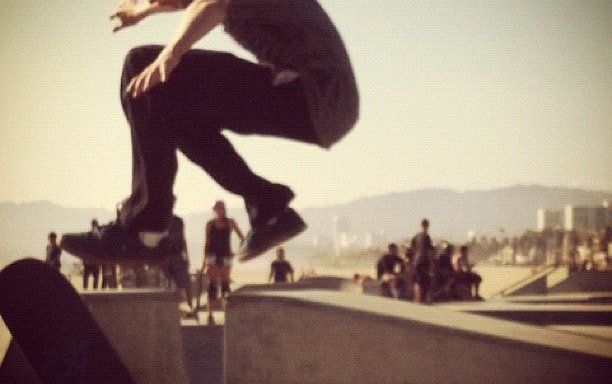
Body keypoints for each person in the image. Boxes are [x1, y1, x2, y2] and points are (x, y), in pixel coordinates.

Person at [59, 0, 359, 268]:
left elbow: (212, 4)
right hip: (321, 101)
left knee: (142, 66)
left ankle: (145, 227)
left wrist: (171, 55)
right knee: (180, 116)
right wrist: (143, 9)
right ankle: (267, 205)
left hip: (313, 91)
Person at [203, 200, 244, 324]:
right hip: (212, 255)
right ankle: (210, 314)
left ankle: (227, 312)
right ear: (214, 210)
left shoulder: (230, 222)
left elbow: (242, 238)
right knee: (212, 285)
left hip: (226, 254)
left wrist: (237, 253)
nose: (219, 211)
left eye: (221, 208)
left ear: (224, 209)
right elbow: (207, 241)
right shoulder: (210, 224)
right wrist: (205, 259)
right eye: (217, 209)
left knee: (225, 284)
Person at [163, 216, 194, 311]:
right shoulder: (157, 220)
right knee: (168, 284)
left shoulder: (177, 221)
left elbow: (182, 238)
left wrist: (186, 255)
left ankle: (190, 307)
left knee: (186, 283)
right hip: (163, 257)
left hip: (177, 255)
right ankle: (170, 309)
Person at [410, 219, 433, 303]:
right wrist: (431, 263)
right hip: (424, 261)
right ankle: (421, 299)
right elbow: (429, 251)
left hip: (416, 261)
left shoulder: (416, 236)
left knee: (417, 281)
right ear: (427, 226)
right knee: (423, 280)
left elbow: (412, 248)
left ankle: (417, 299)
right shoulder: (426, 237)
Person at [83, 219, 101, 289]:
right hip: (89, 261)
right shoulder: (88, 235)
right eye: (94, 224)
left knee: (95, 280)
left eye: (95, 225)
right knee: (86, 280)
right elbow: (85, 248)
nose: (94, 226)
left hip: (95, 262)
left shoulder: (99, 235)